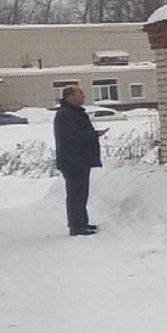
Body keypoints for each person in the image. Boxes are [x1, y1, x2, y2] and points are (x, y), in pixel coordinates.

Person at [53, 84, 104, 236]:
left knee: (82, 193)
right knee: (75, 194)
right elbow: (73, 136)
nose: (83, 96)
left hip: (80, 160)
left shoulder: (74, 112)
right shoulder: (65, 114)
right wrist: (94, 134)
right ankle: (76, 226)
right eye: (80, 93)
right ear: (70, 96)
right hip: (73, 161)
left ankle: (82, 222)